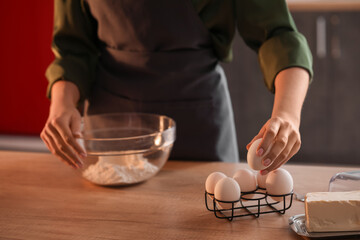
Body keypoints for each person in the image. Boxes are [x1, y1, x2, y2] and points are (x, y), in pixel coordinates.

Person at [41, 0, 313, 175]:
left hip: (201, 120)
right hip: (113, 128)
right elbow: (73, 48)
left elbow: (279, 36)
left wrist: (287, 115)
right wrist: (62, 104)